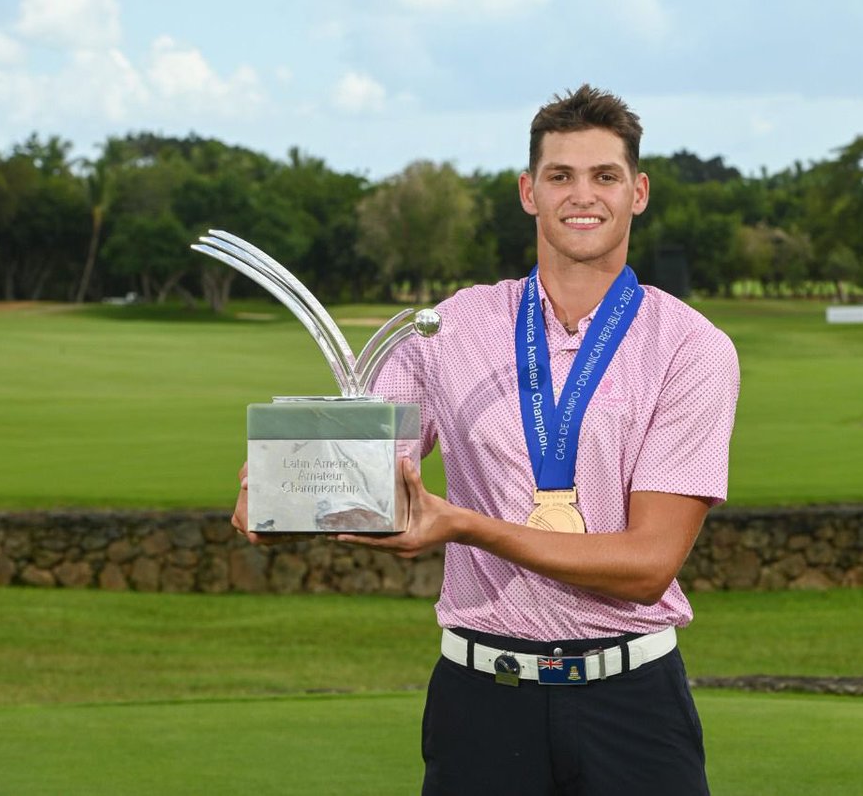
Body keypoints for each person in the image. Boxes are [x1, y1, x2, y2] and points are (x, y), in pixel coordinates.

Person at [232, 84, 739, 795]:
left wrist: (465, 525)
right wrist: (287, 501)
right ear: (529, 191)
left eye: (605, 176)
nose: (581, 195)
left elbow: (649, 562)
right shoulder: (450, 328)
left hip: (632, 705)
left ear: (639, 191)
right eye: (560, 176)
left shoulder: (692, 348)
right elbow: (365, 477)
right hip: (481, 703)